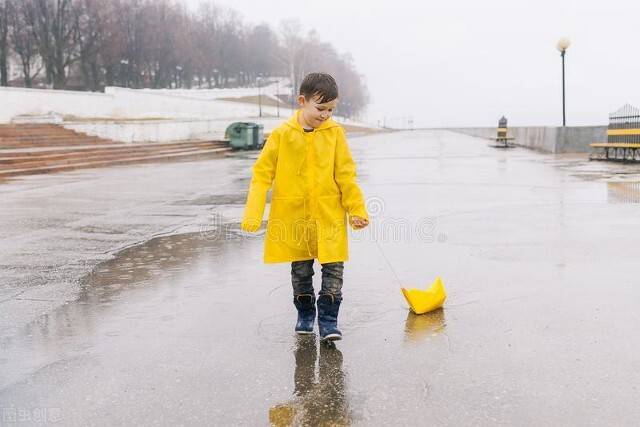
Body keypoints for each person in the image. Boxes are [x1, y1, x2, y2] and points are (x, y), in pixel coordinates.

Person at [240, 72, 369, 341]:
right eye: (320, 108)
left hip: (329, 216)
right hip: (295, 218)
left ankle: (329, 320)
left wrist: (357, 209)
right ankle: (306, 312)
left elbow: (346, 174)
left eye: (331, 110)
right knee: (301, 272)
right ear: (302, 100)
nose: (325, 115)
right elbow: (262, 174)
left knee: (334, 271)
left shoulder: (335, 134)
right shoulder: (281, 135)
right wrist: (253, 214)